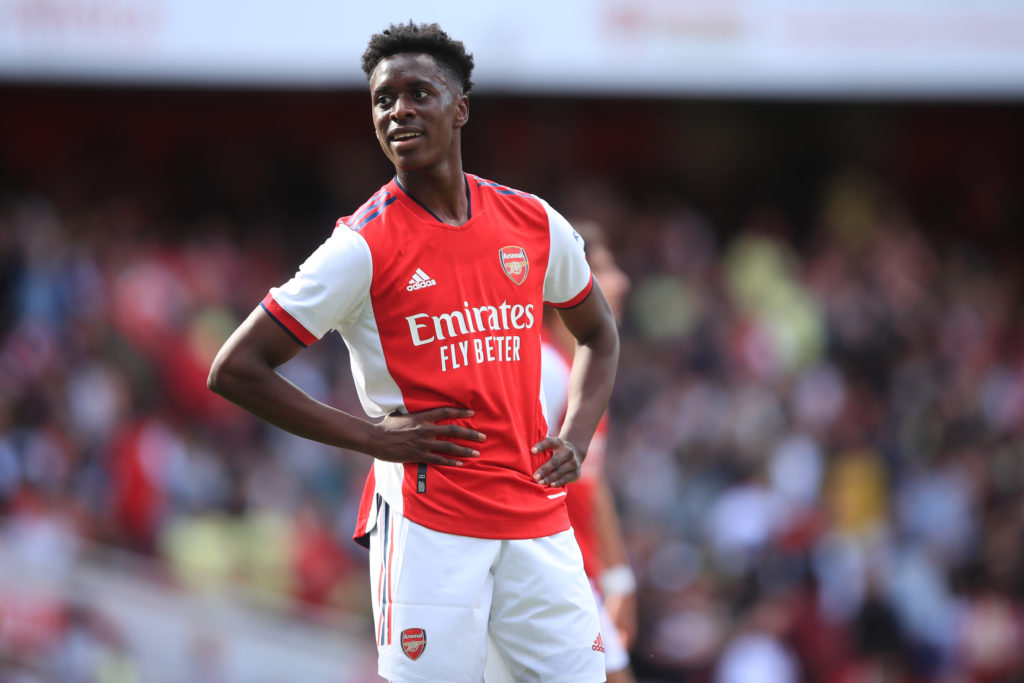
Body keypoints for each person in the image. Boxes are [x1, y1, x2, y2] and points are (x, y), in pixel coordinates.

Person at [207, 21, 620, 683]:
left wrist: (574, 431)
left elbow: (599, 333)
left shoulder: (534, 222)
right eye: (382, 99)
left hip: (538, 520)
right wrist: (373, 436)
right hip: (432, 526)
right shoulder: (360, 246)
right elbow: (235, 368)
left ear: (460, 109)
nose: (398, 109)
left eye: (418, 93)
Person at [539, 220, 638, 683]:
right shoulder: (542, 370)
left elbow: (590, 482)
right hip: (550, 580)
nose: (620, 281)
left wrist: (617, 576)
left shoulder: (585, 367)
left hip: (580, 577)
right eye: (601, 268)